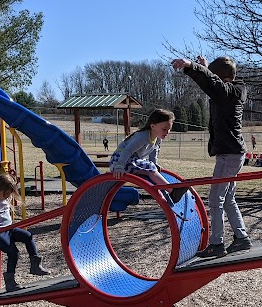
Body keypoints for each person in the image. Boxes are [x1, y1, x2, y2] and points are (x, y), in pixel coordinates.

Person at [172, 55, 252, 257]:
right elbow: (214, 83)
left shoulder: (229, 92)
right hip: (232, 153)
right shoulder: (230, 91)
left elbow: (214, 84)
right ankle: (242, 238)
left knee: (215, 200)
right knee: (227, 199)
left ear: (222, 78)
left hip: (229, 154)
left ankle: (217, 244)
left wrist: (193, 67)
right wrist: (204, 68)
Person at [0, 173, 50, 292]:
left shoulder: (6, 198)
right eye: (6, 193)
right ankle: (10, 282)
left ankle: (35, 265)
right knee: (13, 252)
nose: (7, 195)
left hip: (9, 229)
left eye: (9, 193)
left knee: (28, 236)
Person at [108, 108, 188, 205]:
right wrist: (119, 166)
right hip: (120, 160)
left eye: (169, 129)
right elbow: (127, 150)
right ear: (153, 126)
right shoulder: (143, 136)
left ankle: (170, 189)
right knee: (150, 168)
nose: (167, 132)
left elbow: (154, 151)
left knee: (151, 167)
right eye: (164, 129)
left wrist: (154, 163)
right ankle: (172, 191)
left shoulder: (158, 138)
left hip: (131, 160)